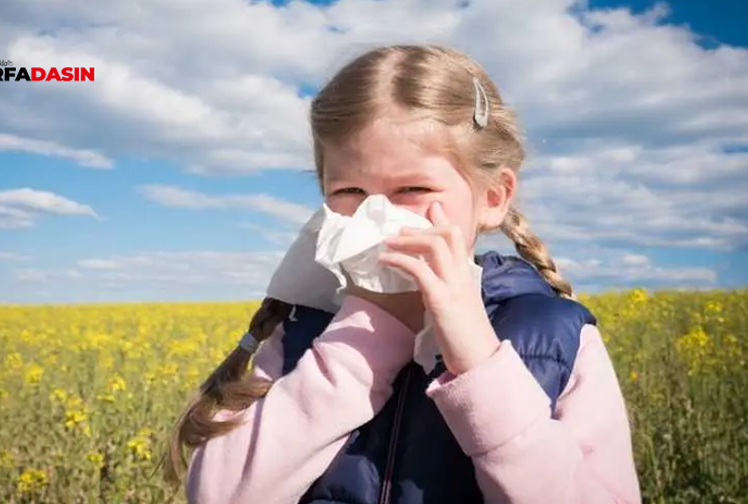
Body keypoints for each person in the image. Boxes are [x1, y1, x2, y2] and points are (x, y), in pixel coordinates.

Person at [163, 44, 642, 504]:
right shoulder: (303, 331)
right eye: (349, 189)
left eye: (412, 187)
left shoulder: (551, 333)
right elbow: (218, 494)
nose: (377, 215)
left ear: (493, 198)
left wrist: (479, 362)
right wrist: (367, 332)